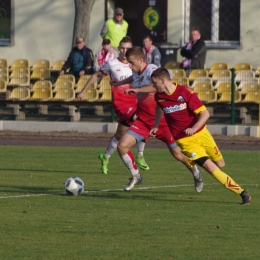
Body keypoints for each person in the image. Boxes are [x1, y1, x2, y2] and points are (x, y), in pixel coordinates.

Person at [149, 67, 251, 205]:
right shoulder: (159, 96)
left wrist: (194, 128)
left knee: (221, 164)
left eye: (154, 83)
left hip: (202, 133)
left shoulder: (185, 92)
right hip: (185, 141)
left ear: (163, 80)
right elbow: (158, 107)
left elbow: (205, 114)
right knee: (210, 167)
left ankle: (203, 161)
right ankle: (243, 193)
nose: (153, 86)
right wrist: (156, 125)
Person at [113, 46, 203, 192]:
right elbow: (135, 79)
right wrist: (120, 83)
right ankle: (136, 176)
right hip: (143, 121)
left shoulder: (152, 70)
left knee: (178, 154)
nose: (129, 65)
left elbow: (155, 88)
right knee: (122, 146)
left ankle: (196, 173)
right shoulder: (135, 72)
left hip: (162, 121)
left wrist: (137, 90)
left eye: (131, 62)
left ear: (141, 60)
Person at [77, 37, 149, 174]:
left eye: (127, 48)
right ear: (118, 48)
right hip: (121, 103)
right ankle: (140, 155)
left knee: (119, 134)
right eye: (122, 48)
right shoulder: (112, 63)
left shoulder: (136, 65)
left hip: (135, 102)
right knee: (141, 120)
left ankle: (106, 156)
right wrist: (83, 91)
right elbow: (96, 75)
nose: (124, 51)